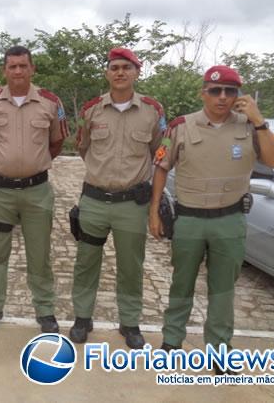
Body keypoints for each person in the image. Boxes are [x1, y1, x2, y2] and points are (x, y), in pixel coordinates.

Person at [149, 65, 274, 372]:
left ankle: (219, 351)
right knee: (181, 283)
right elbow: (160, 168)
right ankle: (171, 341)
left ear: (238, 95)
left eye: (230, 91)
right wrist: (154, 211)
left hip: (230, 221)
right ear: (203, 94)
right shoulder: (181, 126)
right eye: (216, 90)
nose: (223, 97)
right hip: (190, 220)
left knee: (223, 289)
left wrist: (259, 121)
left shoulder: (250, 128)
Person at [70, 47, 165, 347]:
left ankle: (130, 323)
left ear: (137, 72)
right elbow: (82, 147)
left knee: (130, 265)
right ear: (107, 73)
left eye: (127, 67)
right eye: (114, 67)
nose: (120, 72)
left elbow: (159, 153)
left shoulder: (152, 111)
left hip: (131, 205)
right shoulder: (91, 110)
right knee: (86, 262)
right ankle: (82, 318)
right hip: (95, 202)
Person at [0, 46, 69, 333]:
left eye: (23, 66)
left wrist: (32, 164)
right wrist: (4, 164)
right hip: (1, 193)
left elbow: (57, 143)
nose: (17, 71)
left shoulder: (50, 103)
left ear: (32, 68)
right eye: (12, 66)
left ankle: (45, 310)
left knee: (39, 255)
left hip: (37, 192)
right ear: (4, 70)